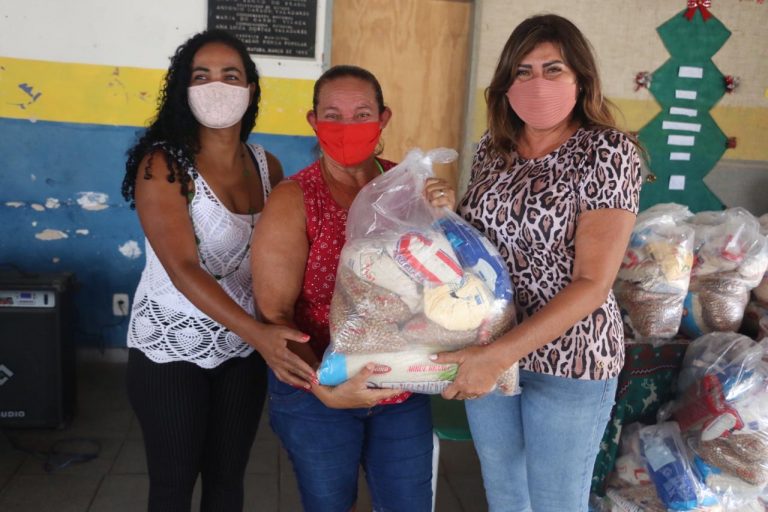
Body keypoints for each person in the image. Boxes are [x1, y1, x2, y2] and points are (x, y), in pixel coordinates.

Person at [433, 14, 643, 512]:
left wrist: (497, 356)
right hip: (489, 342)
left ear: (581, 79)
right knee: (506, 493)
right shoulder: (493, 149)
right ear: (506, 84)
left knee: (556, 502)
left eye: (553, 69)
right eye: (523, 71)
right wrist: (445, 211)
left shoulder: (607, 151)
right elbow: (482, 247)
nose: (537, 83)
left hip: (570, 358)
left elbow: (592, 283)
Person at [121, 29, 314, 512]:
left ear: (250, 88)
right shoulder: (164, 165)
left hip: (243, 350)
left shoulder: (266, 165)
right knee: (173, 485)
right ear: (184, 90)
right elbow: (183, 268)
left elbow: (283, 253)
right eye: (201, 76)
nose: (217, 87)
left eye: (230, 75)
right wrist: (260, 334)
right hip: (173, 347)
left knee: (227, 482)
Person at [251, 65, 456, 512]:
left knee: (408, 504)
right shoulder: (294, 199)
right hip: (317, 388)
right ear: (313, 121)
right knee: (330, 504)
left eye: (362, 114)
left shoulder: (408, 187)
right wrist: (323, 387)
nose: (347, 126)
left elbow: (441, 282)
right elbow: (275, 316)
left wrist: (445, 215)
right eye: (333, 115)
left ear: (384, 119)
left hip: (400, 384)